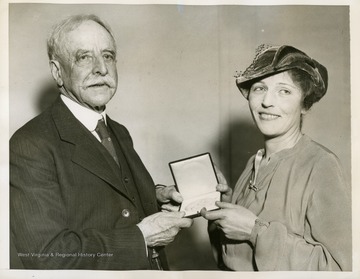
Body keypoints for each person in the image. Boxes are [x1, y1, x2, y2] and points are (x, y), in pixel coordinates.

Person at [10, 14, 193, 270]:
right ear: (57, 71)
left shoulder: (118, 131)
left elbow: (107, 193)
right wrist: (141, 237)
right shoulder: (29, 143)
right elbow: (46, 257)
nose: (101, 68)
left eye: (107, 55)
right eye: (84, 57)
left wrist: (155, 196)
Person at [201, 44, 352, 271]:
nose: (267, 102)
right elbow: (230, 262)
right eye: (260, 88)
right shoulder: (254, 163)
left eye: (284, 91)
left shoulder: (321, 165)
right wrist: (221, 210)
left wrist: (256, 232)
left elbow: (342, 269)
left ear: (305, 104)